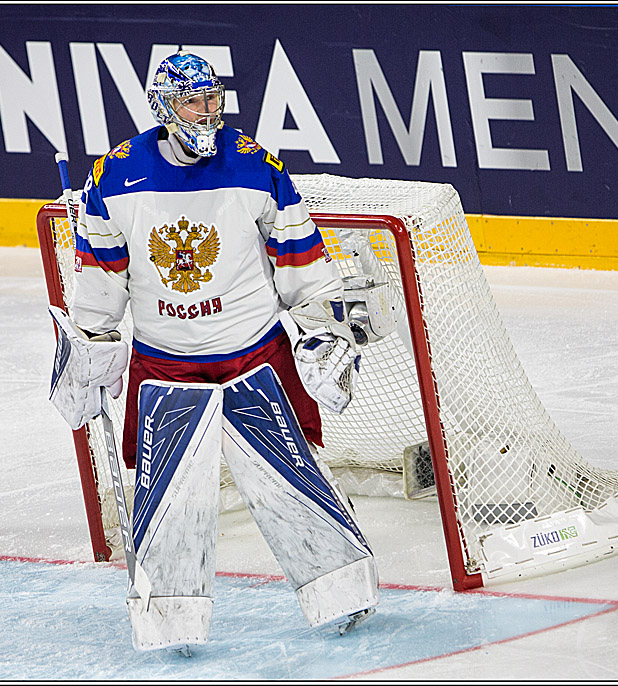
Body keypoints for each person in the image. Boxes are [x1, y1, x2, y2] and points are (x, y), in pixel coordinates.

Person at [48, 51, 378, 653]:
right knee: (168, 498)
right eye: (192, 101)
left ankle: (344, 589)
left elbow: (298, 252)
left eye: (213, 99)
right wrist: (91, 341)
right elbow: (100, 274)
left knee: (295, 480)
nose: (207, 112)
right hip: (164, 360)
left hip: (254, 351)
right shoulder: (115, 177)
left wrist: (321, 326)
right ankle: (171, 620)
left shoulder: (256, 165)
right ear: (162, 107)